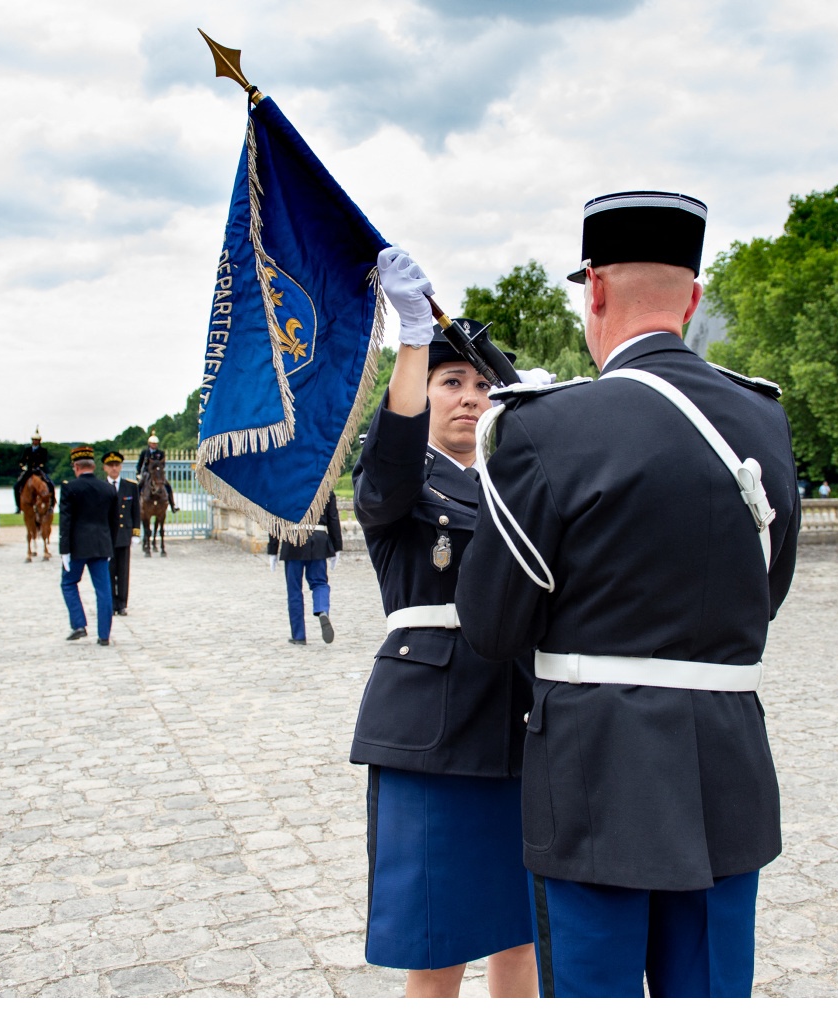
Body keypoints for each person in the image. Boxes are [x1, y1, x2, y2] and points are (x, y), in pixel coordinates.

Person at [455, 191, 801, 998]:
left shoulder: (546, 425)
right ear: (693, 297)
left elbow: (493, 625)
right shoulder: (763, 420)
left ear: (596, 292)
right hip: (726, 772)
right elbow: (767, 590)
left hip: (595, 778)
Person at [352, 256, 538, 999]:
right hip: (435, 733)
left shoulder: (515, 479)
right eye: (450, 382)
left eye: (482, 384)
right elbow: (391, 454)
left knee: (521, 933)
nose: (470, 398)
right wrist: (413, 338)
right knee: (437, 953)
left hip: (521, 723)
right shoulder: (402, 481)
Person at [59, 445, 118, 645]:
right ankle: (104, 635)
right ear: (94, 466)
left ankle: (78, 624)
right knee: (103, 591)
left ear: (76, 467)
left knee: (68, 583)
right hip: (102, 545)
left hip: (77, 547)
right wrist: (110, 546)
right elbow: (113, 522)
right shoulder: (108, 488)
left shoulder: (70, 488)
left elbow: (65, 521)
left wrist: (64, 550)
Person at [266, 492, 343, 645]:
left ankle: (299, 635)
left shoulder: (285, 485)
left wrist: (272, 550)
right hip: (319, 539)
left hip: (292, 538)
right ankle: (322, 609)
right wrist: (337, 546)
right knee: (320, 583)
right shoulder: (324, 485)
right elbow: (333, 518)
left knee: (294, 590)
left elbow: (274, 519)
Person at [103, 451, 139, 616]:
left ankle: (122, 603)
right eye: (111, 466)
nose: (114, 468)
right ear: (105, 468)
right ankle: (111, 603)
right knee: (109, 571)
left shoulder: (130, 486)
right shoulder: (101, 487)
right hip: (107, 536)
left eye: (116, 465)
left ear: (121, 467)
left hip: (124, 534)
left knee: (123, 572)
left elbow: (135, 511)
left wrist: (136, 532)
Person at [14, 429, 54, 515]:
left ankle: (51, 505)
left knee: (50, 484)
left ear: (39, 441)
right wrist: (22, 466)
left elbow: (45, 461)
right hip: (29, 471)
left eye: (36, 440)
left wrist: (40, 466)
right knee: (16, 486)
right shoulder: (27, 450)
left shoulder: (43, 450)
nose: (35, 442)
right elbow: (22, 460)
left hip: (39, 470)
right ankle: (18, 506)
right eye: (33, 440)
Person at [136, 434, 178, 512]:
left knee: (167, 486)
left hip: (158, 473)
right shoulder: (145, 452)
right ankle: (137, 505)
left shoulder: (160, 453)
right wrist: (138, 473)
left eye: (155, 444)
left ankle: (173, 505)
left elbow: (163, 464)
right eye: (153, 443)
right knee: (139, 485)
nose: (154, 445)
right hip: (147, 472)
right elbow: (140, 463)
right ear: (149, 444)